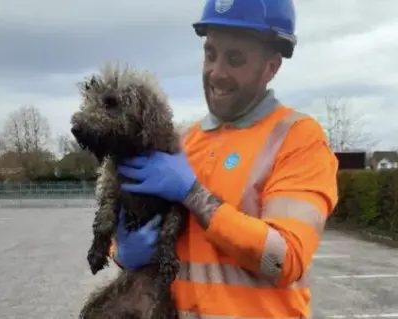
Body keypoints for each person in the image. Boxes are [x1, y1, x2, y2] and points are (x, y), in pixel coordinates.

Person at [110, 0, 338, 317]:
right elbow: (136, 227)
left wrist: (194, 195)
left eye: (235, 59)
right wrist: (122, 251)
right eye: (210, 54)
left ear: (271, 67)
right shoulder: (180, 143)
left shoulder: (298, 138)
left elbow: (285, 259)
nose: (216, 73)